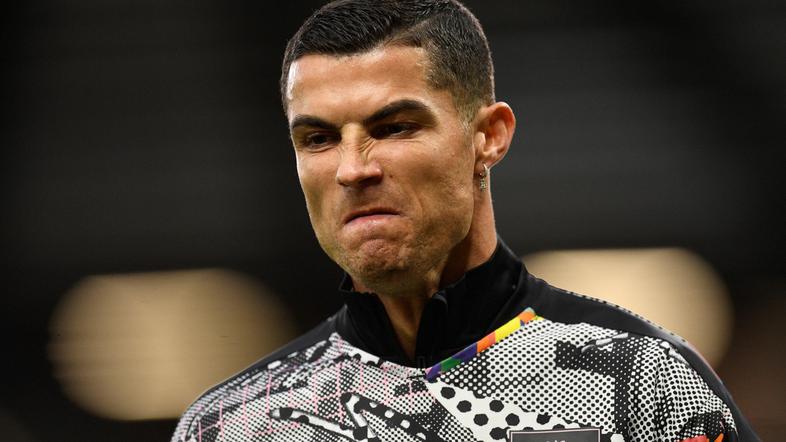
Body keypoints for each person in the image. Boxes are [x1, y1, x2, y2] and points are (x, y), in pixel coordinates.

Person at [172, 1, 759, 441]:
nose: (352, 169)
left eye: (394, 128)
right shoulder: (232, 425)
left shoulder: (644, 384)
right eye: (318, 139)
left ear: (489, 136)